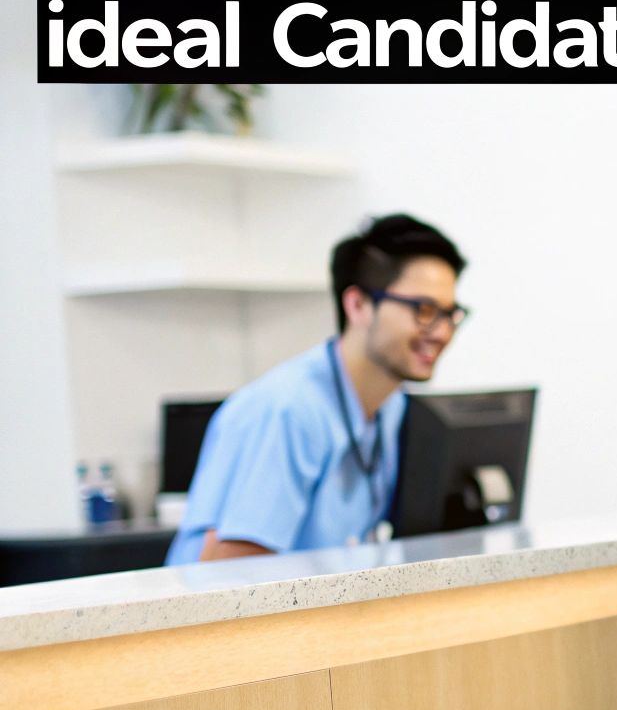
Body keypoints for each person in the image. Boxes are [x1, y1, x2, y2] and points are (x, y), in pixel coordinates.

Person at [165, 214, 469, 564]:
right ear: (357, 305)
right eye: (425, 310)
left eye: (451, 313)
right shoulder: (288, 410)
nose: (443, 332)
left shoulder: (392, 405)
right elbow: (230, 574)